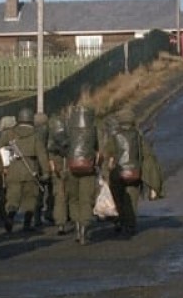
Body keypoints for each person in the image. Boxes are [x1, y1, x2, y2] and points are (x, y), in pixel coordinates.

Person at [101, 109, 159, 238]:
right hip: (134, 174)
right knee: (132, 200)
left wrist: (106, 172)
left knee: (119, 198)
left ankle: (121, 222)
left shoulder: (114, 136)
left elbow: (107, 154)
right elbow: (146, 154)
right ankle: (131, 226)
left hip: (118, 174)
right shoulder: (137, 136)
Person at [57, 102, 101, 245]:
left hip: (71, 169)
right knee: (86, 200)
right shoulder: (94, 130)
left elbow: (61, 148)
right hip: (88, 170)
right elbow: (99, 150)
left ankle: (77, 226)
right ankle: (84, 227)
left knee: (74, 199)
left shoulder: (69, 130)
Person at [0, 108, 48, 233]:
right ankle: (27, 224)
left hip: (13, 168)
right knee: (30, 198)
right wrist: (46, 172)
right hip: (30, 169)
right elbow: (42, 155)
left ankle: (10, 217)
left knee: (12, 198)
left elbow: (0, 147)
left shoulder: (9, 133)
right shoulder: (36, 135)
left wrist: (4, 165)